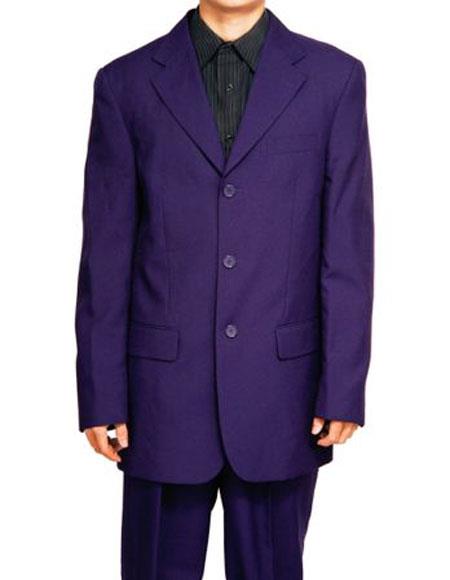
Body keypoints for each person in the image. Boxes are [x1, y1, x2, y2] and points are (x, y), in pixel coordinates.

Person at [75, 1, 374, 578]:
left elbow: (348, 246)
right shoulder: (125, 84)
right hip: (160, 397)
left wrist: (343, 385)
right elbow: (106, 254)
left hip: (282, 394)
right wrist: (101, 391)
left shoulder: (334, 79)